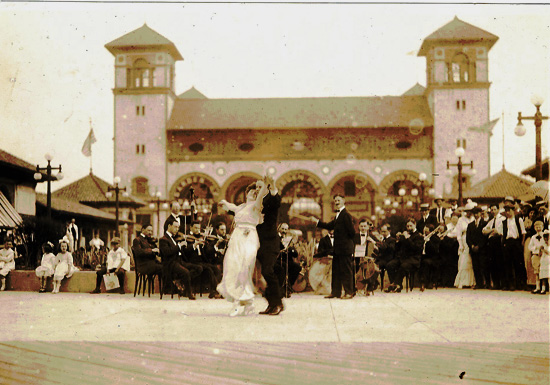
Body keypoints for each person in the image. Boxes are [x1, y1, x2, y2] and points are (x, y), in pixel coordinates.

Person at [217, 178, 268, 316]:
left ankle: (241, 302)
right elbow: (232, 207)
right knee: (233, 266)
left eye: (255, 192)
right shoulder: (241, 207)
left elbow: (261, 196)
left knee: (244, 268)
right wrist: (225, 202)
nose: (253, 193)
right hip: (237, 237)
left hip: (249, 236)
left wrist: (262, 187)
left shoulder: (256, 206)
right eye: (251, 191)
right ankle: (244, 301)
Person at [310, 194, 356, 299]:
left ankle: (349, 292)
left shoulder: (346, 215)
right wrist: (316, 221)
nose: (336, 202)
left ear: (344, 200)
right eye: (335, 200)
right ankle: (336, 293)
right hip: (338, 249)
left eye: (338, 200)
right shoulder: (338, 215)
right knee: (336, 271)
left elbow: (352, 233)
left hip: (344, 248)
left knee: (346, 271)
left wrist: (343, 240)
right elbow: (329, 226)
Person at [159, 221, 201, 300]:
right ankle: (188, 293)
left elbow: (182, 251)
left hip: (179, 262)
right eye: (175, 227)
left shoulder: (175, 238)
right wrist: (179, 245)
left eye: (178, 227)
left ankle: (181, 284)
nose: (177, 229)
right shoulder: (163, 239)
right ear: (169, 226)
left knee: (199, 268)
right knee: (186, 272)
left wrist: (190, 246)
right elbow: (167, 252)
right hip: (170, 264)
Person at [185, 221, 222, 299]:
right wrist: (195, 245)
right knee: (209, 270)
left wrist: (214, 245)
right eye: (195, 228)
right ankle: (214, 291)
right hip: (193, 262)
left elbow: (208, 252)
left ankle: (217, 290)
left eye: (198, 228)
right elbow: (186, 252)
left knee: (216, 269)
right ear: (191, 228)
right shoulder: (188, 239)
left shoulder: (202, 238)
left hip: (202, 261)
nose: (197, 230)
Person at [496, 198, 527, 291]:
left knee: (518, 263)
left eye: (509, 210)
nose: (507, 213)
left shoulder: (518, 220)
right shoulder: (504, 222)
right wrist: (504, 242)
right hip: (507, 242)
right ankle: (510, 284)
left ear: (513, 210)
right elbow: (501, 232)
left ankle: (520, 283)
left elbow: (523, 232)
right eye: (506, 211)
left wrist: (521, 243)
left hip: (516, 242)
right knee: (507, 264)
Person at [389, 218, 424, 293]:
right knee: (390, 265)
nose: (409, 228)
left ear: (415, 225)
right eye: (407, 226)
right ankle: (396, 284)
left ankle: (396, 285)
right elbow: (398, 248)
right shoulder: (404, 235)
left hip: (414, 259)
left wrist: (407, 238)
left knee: (403, 266)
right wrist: (398, 240)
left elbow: (415, 248)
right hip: (403, 258)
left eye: (411, 226)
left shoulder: (419, 236)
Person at [452, 203, 476, 289]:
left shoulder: (474, 219)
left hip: (472, 240)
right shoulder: (461, 220)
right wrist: (460, 245)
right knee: (463, 261)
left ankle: (471, 282)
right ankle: (462, 281)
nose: (469, 213)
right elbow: (458, 233)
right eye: (467, 211)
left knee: (471, 261)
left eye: (470, 212)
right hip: (464, 240)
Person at [275, 223, 301, 298]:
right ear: (278, 229)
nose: (284, 231)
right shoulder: (276, 238)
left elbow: (295, 254)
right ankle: (283, 289)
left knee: (297, 267)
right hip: (277, 259)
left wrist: (292, 248)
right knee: (284, 267)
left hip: (286, 260)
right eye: (282, 229)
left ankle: (288, 287)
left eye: (286, 229)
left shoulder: (289, 240)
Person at [482, 204, 504, 289]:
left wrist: (492, 231)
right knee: (493, 263)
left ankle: (502, 284)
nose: (493, 211)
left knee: (499, 263)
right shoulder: (491, 221)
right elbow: (484, 231)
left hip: (498, 242)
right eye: (492, 210)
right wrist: (491, 230)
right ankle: (496, 284)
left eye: (495, 209)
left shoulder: (502, 219)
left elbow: (498, 231)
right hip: (491, 243)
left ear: (498, 210)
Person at [466, 206, 488, 289]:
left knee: (483, 265)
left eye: (477, 213)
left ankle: (486, 283)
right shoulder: (470, 225)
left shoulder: (485, 223)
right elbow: (468, 238)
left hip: (482, 249)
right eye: (474, 213)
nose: (476, 215)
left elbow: (484, 237)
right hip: (473, 249)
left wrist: (479, 246)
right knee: (475, 266)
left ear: (480, 213)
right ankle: (479, 283)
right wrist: (472, 245)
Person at [529, 220, 545, 294]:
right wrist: (536, 247)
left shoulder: (545, 236)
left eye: (539, 226)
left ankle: (543, 288)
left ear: (543, 227)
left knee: (543, 272)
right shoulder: (533, 237)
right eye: (536, 227)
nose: (538, 228)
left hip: (544, 256)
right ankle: (537, 287)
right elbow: (530, 247)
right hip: (535, 255)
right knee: (537, 272)